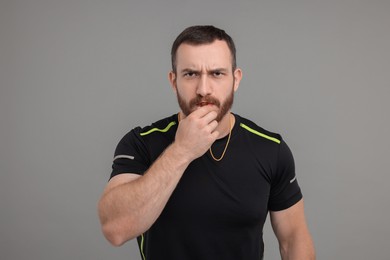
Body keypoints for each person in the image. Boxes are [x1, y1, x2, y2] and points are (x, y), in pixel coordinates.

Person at [98, 25, 315, 260]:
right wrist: (181, 150)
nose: (203, 90)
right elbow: (115, 229)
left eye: (216, 74)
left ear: (236, 79)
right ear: (174, 81)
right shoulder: (140, 143)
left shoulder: (271, 149)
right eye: (191, 74)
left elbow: (293, 239)